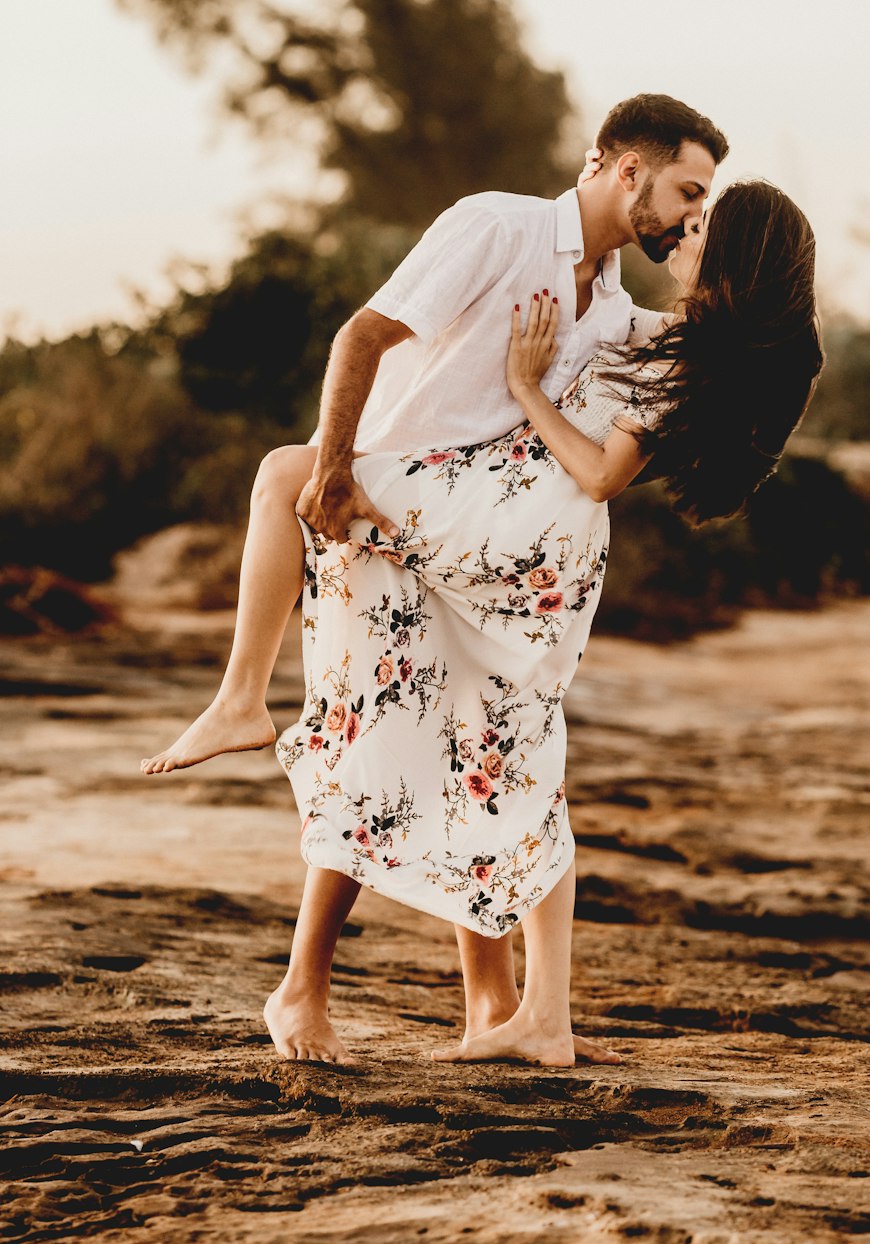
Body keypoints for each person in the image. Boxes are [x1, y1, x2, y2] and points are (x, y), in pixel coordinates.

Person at [141, 92, 731, 1066]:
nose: (684, 216)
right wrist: (334, 467)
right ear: (627, 169)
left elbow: (660, 380)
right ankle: (301, 980)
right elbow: (359, 339)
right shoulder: (496, 226)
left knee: (470, 760)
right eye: (684, 191)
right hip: (377, 529)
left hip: (465, 559)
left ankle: (484, 1009)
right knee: (379, 757)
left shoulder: (612, 310)